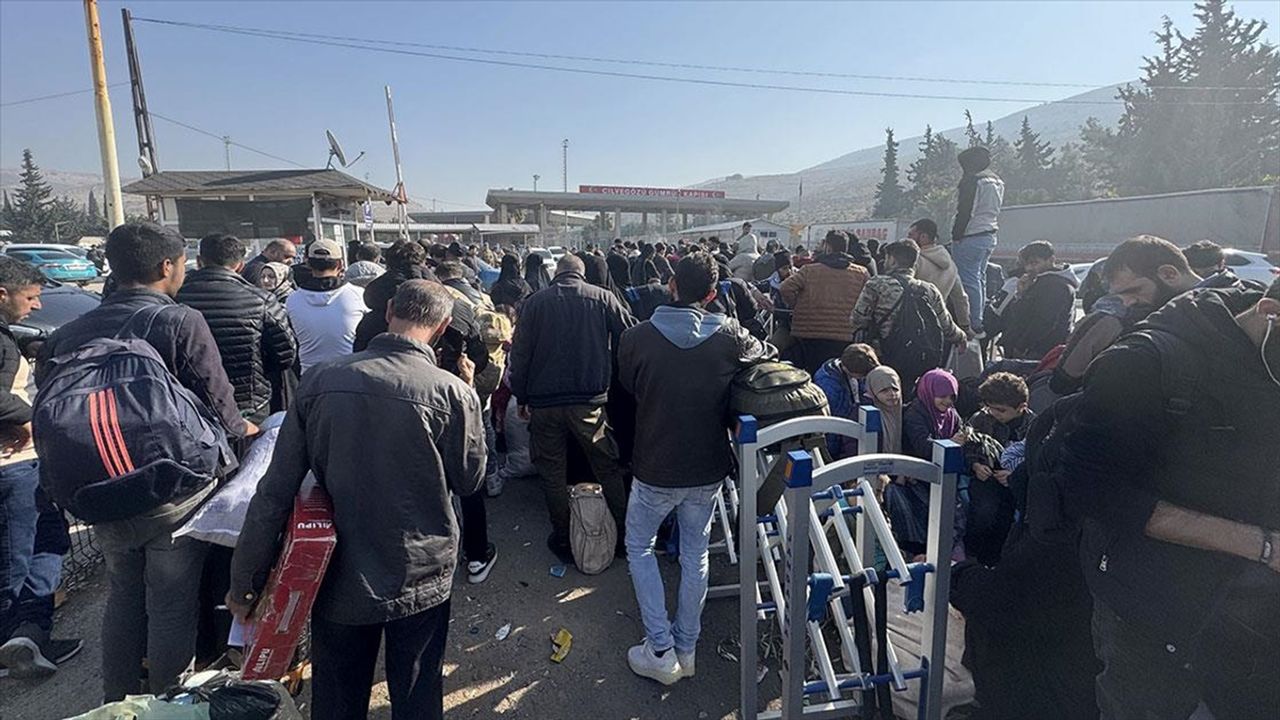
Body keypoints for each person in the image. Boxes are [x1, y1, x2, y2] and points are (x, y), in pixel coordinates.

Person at [230, 280, 485, 720]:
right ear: (443, 327)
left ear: (389, 311)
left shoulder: (321, 380)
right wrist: (471, 395)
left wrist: (245, 582)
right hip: (420, 568)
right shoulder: (451, 392)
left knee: (337, 697)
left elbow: (275, 490)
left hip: (337, 569)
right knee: (418, 694)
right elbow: (469, 479)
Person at [35, 222, 249, 701]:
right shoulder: (178, 321)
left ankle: (116, 699)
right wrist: (241, 441)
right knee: (172, 603)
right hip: (173, 488)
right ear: (166, 266)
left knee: (124, 596)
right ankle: (167, 703)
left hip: (99, 487)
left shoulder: (68, 333)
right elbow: (218, 402)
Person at [1056, 277, 1280, 718]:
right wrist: (1261, 545)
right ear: (1269, 313)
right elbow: (1092, 490)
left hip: (1258, 619)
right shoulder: (1145, 362)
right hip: (1156, 615)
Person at [617, 252, 775, 684]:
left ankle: (660, 647)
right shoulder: (730, 335)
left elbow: (629, 389)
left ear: (671, 284)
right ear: (710, 294)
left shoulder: (636, 338)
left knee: (640, 547)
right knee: (696, 554)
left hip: (654, 463)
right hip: (708, 466)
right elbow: (766, 354)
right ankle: (686, 648)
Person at [507, 255, 635, 561]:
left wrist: (521, 397)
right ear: (582, 274)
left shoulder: (534, 303)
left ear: (557, 274)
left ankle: (564, 539)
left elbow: (520, 355)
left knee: (552, 471)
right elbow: (630, 335)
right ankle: (622, 536)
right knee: (607, 466)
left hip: (544, 402)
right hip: (589, 402)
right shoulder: (602, 297)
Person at [0, 257, 81, 679]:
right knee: (16, 559)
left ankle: (31, 635)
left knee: (50, 541)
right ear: (3, 294)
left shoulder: (7, 336)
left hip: (26, 464)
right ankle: (8, 644)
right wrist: (29, 418)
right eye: (30, 297)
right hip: (11, 467)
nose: (36, 306)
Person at [176, 234, 298, 425]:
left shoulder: (175, 298)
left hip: (191, 405)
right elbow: (285, 353)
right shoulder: (261, 300)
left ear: (199, 261)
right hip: (250, 405)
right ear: (240, 266)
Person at [848, 240, 966, 391]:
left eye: (887, 258)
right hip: (919, 357)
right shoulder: (929, 290)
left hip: (883, 356)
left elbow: (857, 320)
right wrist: (961, 337)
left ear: (893, 260)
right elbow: (946, 326)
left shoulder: (877, 284)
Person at [887, 369, 967, 559]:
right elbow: (922, 446)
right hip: (916, 476)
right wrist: (950, 443)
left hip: (944, 475)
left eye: (952, 397)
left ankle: (947, 551)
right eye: (942, 396)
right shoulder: (914, 414)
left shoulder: (951, 415)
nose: (947, 401)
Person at [963, 372, 1033, 566]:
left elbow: (1036, 456)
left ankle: (996, 561)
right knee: (984, 512)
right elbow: (968, 447)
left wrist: (1015, 475)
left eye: (1001, 410)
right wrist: (975, 465)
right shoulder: (981, 419)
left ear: (1021, 407)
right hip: (986, 478)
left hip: (1016, 482)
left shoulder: (1033, 424)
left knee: (1006, 519)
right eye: (990, 407)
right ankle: (973, 557)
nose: (994, 413)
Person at [779, 230, 870, 374]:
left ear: (828, 247)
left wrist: (797, 306)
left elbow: (785, 288)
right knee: (837, 375)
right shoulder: (861, 273)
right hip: (844, 334)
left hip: (809, 333)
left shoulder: (809, 270)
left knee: (810, 374)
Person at [286, 238, 368, 374]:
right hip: (350, 373)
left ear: (308, 263)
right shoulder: (359, 295)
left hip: (310, 375)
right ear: (340, 264)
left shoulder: (292, 300)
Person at [950, 146, 1005, 334]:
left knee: (968, 280)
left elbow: (965, 211)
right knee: (979, 279)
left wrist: (956, 235)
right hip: (989, 234)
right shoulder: (996, 180)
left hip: (971, 234)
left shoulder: (972, 181)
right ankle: (979, 317)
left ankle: (972, 322)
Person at [999, 241, 1078, 360]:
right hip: (1029, 348)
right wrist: (1021, 293)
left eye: (1035, 263)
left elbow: (1044, 322)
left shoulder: (1057, 286)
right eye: (1027, 264)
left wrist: (1022, 347)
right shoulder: (1039, 282)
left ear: (1051, 260)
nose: (1029, 268)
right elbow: (1019, 314)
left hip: (1039, 351)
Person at [813, 343, 880, 459]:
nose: (864, 378)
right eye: (861, 376)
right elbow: (834, 420)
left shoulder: (855, 370)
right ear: (847, 369)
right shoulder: (829, 387)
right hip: (838, 437)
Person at [910, 218, 971, 337]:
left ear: (923, 237)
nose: (908, 239)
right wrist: (965, 326)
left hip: (913, 323)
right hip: (939, 324)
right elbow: (960, 298)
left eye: (911, 235)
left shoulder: (915, 260)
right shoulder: (951, 265)